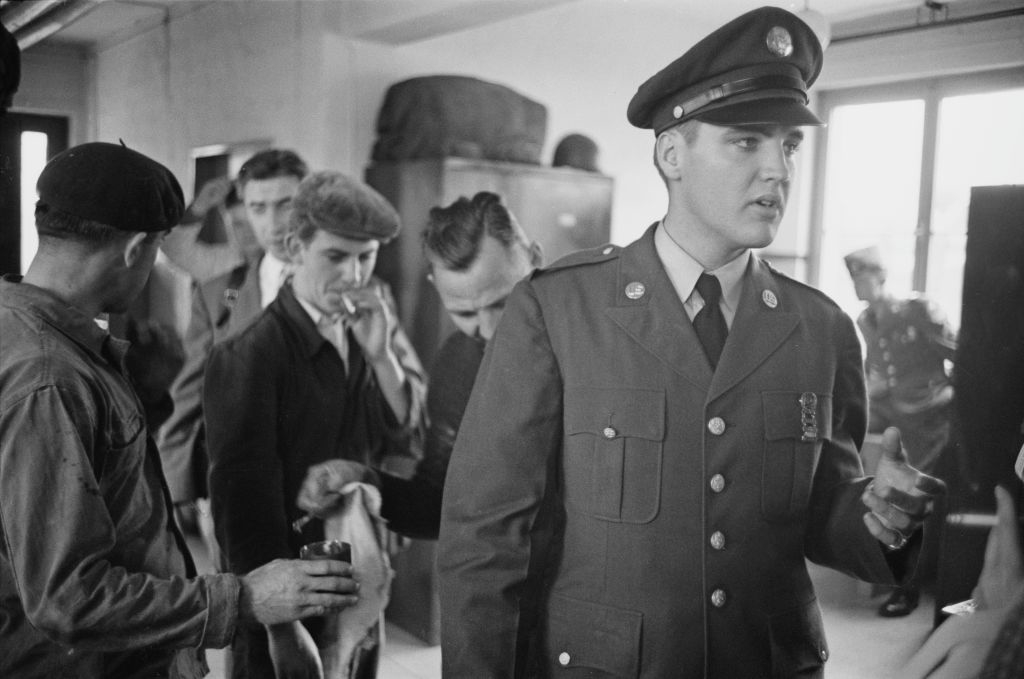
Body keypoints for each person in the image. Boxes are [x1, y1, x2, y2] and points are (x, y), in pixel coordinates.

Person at [437, 7, 947, 678]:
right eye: (747, 141)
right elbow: (487, 538)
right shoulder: (560, 309)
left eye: (788, 146)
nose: (778, 171)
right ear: (671, 153)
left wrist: (880, 516)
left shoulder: (819, 329)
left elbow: (821, 515)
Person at [0, 142, 359, 678]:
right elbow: (67, 598)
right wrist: (242, 599)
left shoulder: (32, 333)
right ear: (136, 248)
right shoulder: (51, 378)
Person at [204, 170, 427, 679]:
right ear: (294, 248)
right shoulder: (250, 354)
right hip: (284, 589)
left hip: (355, 564)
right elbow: (241, 508)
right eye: (336, 256)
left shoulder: (367, 324)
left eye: (365, 257)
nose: (353, 274)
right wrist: (281, 626)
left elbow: (404, 439)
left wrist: (384, 356)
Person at [297, 191, 543, 539]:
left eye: (502, 303)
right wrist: (364, 478)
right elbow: (439, 502)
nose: (488, 330)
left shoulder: (596, 343)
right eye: (465, 313)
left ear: (535, 258)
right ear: (436, 286)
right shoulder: (458, 359)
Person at [157, 149, 308, 539]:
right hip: (240, 483)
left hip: (322, 486)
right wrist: (174, 481)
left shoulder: (344, 282)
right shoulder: (219, 290)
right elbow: (192, 387)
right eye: (258, 208)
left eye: (285, 205)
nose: (272, 224)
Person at [845, 244, 958, 616]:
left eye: (862, 276)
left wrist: (949, 399)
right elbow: (875, 370)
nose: (857, 285)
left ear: (880, 276)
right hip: (894, 413)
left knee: (911, 497)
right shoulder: (865, 320)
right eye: (853, 277)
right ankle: (878, 570)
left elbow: (961, 355)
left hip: (931, 418)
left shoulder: (917, 310)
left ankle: (907, 590)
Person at [160, 175, 260, 283]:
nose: (247, 232)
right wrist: (199, 206)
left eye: (252, 222)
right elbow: (174, 248)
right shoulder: (223, 264)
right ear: (227, 225)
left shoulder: (279, 263)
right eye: (238, 224)